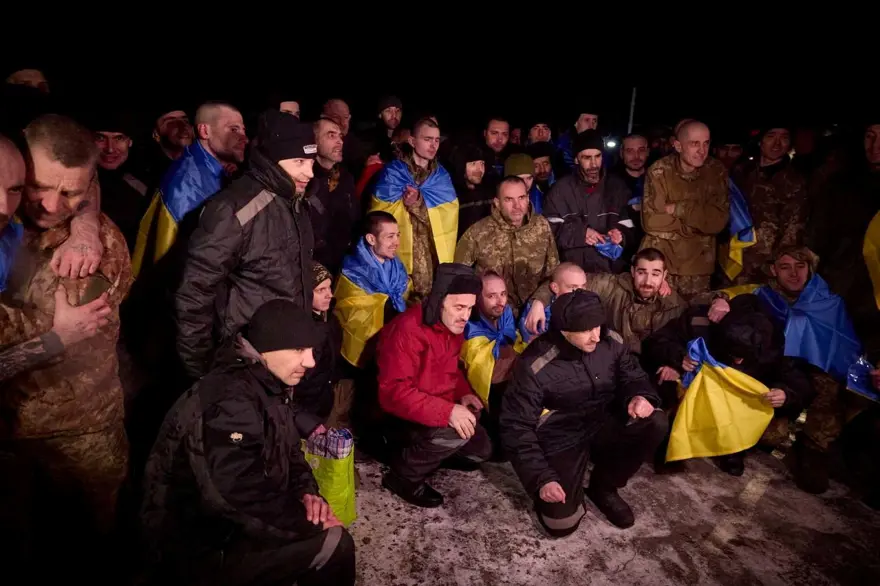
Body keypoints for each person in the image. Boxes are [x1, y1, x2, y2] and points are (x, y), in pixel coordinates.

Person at [141, 300, 356, 585]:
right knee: (334, 544)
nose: (310, 362)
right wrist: (304, 523)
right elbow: (233, 493)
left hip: (236, 526)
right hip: (200, 546)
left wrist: (306, 493)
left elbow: (291, 451)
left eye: (310, 350)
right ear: (266, 348)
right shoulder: (229, 401)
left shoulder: (268, 382)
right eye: (298, 349)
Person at [0, 115, 132, 579]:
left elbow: (33, 331)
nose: (51, 205)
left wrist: (87, 226)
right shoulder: (9, 213)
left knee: (83, 553)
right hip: (11, 435)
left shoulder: (95, 250)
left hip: (77, 438)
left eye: (70, 194)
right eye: (36, 186)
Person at [501, 290, 668, 533]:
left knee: (655, 420)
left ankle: (604, 487)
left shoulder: (610, 341)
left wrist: (639, 395)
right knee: (560, 524)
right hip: (562, 434)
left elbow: (633, 375)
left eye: (597, 326)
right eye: (586, 330)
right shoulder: (534, 364)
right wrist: (541, 477)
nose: (596, 336)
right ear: (564, 330)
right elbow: (516, 426)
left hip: (604, 419)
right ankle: (570, 485)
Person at [708, 247, 867, 493]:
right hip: (777, 369)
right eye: (785, 267)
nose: (794, 273)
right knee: (771, 434)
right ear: (774, 270)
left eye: (800, 266)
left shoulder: (829, 302)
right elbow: (734, 293)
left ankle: (813, 450)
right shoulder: (765, 294)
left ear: (809, 269)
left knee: (830, 386)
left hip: (816, 371)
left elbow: (843, 345)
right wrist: (720, 298)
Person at [175, 112, 316, 380]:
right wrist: (202, 368)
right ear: (272, 160)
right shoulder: (234, 209)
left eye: (311, 161)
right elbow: (194, 294)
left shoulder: (295, 201)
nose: (309, 172)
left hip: (284, 355)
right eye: (299, 161)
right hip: (244, 359)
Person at [642, 293, 814, 476]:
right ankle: (672, 441)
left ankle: (731, 447)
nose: (738, 361)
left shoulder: (776, 343)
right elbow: (655, 342)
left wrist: (785, 394)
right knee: (664, 380)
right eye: (733, 355)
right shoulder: (701, 321)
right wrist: (677, 359)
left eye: (743, 357)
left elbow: (801, 384)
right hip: (695, 390)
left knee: (772, 427)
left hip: (736, 404)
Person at [376, 263, 492, 508]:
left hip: (431, 405)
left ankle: (429, 453)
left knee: (480, 451)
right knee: (455, 431)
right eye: (459, 307)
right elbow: (393, 393)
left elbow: (449, 368)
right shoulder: (407, 331)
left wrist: (464, 394)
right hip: (397, 418)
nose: (465, 316)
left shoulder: (451, 325)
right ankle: (403, 476)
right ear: (439, 301)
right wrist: (447, 412)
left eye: (470, 308)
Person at [132, 101, 247, 278]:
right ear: (204, 131)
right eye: (233, 129)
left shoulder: (218, 171)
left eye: (185, 120)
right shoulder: (184, 185)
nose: (244, 138)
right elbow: (172, 267)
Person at [369, 118, 457, 300]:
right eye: (427, 139)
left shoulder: (440, 176)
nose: (433, 145)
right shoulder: (393, 173)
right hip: (399, 253)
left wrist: (418, 203)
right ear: (412, 141)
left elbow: (448, 217)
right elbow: (379, 216)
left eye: (437, 140)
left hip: (430, 257)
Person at [640, 120, 729, 299]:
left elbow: (717, 222)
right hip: (661, 264)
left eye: (706, 143)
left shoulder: (716, 171)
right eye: (695, 144)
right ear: (678, 146)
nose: (702, 151)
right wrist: (694, 225)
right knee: (657, 313)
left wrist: (679, 208)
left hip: (698, 267)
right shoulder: (659, 171)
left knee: (695, 313)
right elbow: (651, 221)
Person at [455, 176, 558, 314]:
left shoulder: (541, 226)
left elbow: (554, 274)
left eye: (521, 198)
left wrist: (538, 302)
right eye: (509, 199)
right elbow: (458, 278)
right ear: (497, 203)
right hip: (493, 315)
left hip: (536, 311)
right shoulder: (477, 233)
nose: (517, 206)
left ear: (528, 198)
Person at [544, 129, 633, 274]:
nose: (593, 164)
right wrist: (580, 233)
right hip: (572, 274)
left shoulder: (618, 188)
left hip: (611, 273)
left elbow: (632, 228)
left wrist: (621, 236)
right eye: (586, 158)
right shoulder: (559, 191)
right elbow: (548, 232)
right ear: (576, 159)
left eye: (597, 156)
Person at [727, 124, 807, 285]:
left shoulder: (794, 181)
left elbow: (793, 231)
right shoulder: (742, 171)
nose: (777, 143)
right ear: (760, 141)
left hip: (764, 266)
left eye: (784, 138)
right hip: (731, 256)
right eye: (771, 136)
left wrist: (779, 265)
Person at [334, 211, 410, 368]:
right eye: (390, 237)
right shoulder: (352, 271)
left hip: (396, 346)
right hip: (367, 353)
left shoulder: (398, 266)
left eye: (398, 235)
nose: (396, 242)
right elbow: (350, 312)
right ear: (371, 239)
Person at [582, 248, 686, 355]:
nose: (647, 281)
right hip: (613, 355)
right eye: (641, 273)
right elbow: (576, 279)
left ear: (664, 275)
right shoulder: (614, 286)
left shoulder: (675, 307)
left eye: (655, 274)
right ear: (632, 271)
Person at [307, 117, 357, 274]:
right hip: (312, 267)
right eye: (331, 135)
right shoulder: (305, 179)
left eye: (340, 136)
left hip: (342, 265)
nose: (339, 141)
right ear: (314, 141)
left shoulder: (346, 178)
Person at [451, 143, 492, 236]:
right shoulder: (452, 195)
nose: (480, 169)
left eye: (482, 163)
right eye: (473, 164)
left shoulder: (490, 192)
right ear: (461, 166)